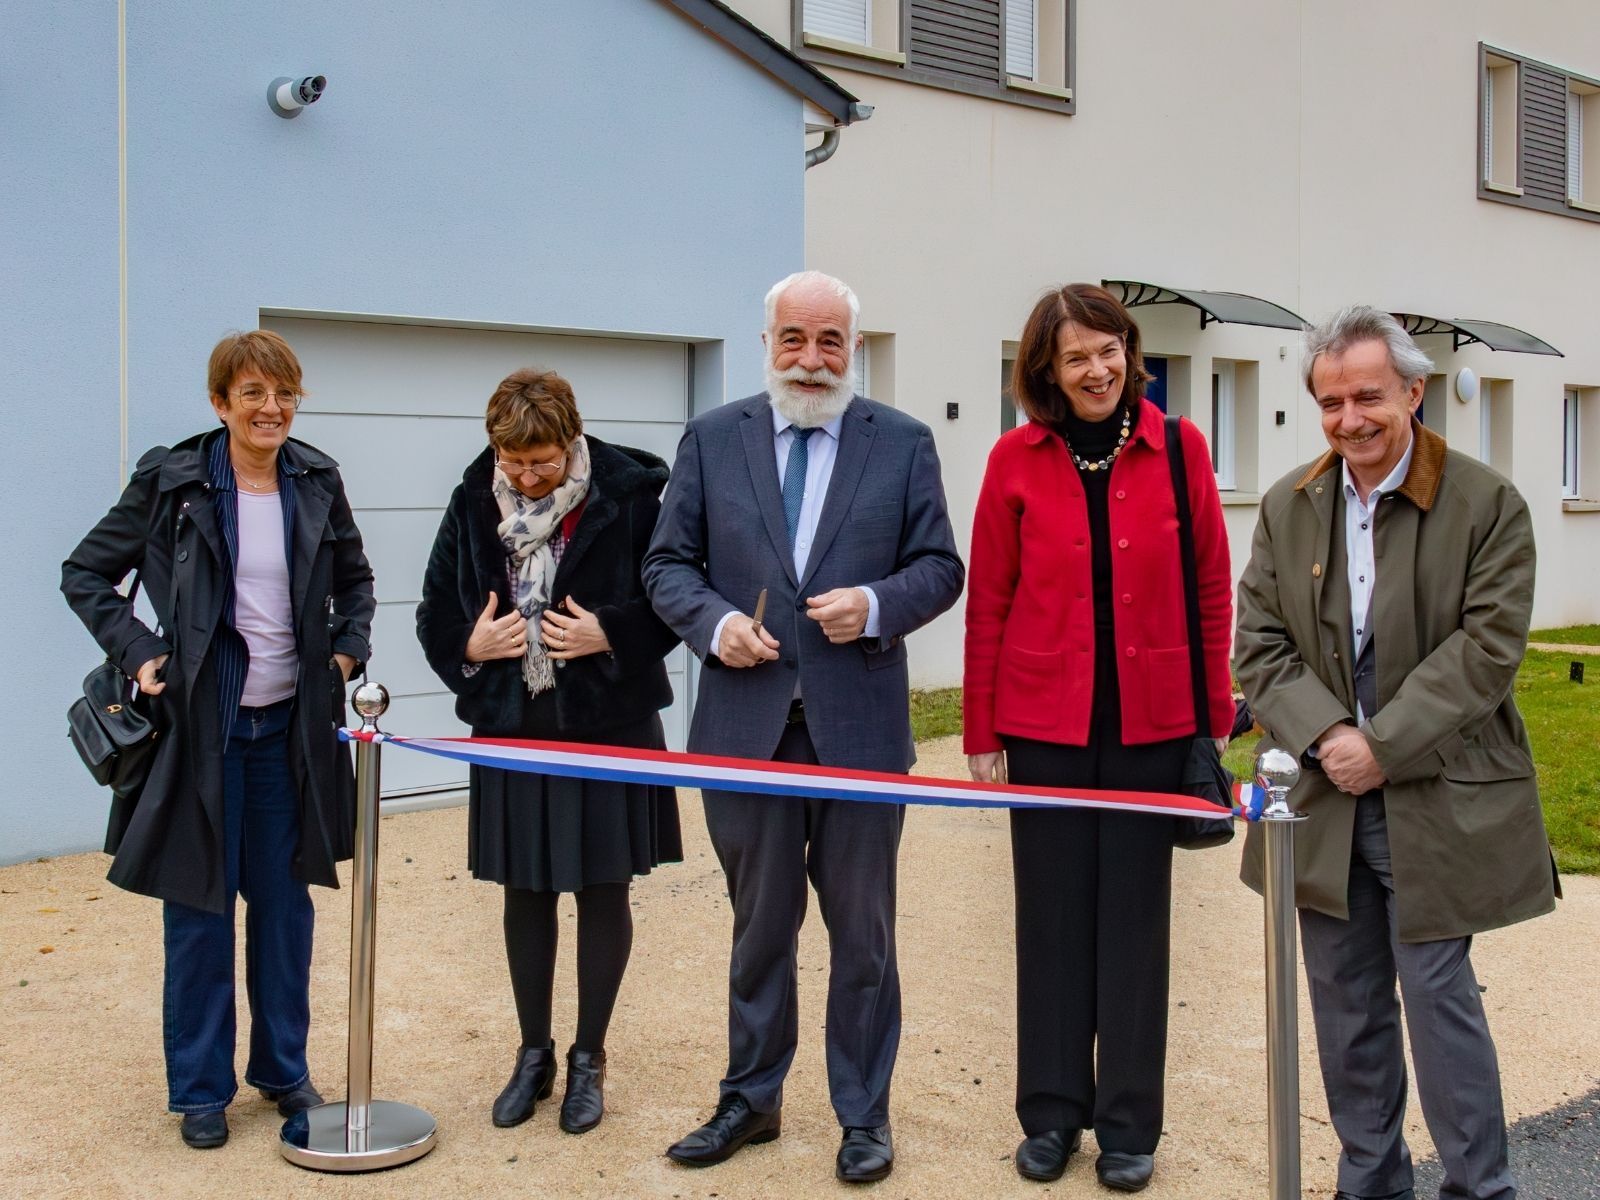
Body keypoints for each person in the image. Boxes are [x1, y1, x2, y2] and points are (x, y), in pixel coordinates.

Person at [643, 270, 963, 1183]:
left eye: (830, 341)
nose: (812, 359)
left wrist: (870, 603)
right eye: (795, 339)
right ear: (768, 344)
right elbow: (666, 563)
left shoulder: (902, 443)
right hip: (746, 727)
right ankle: (752, 1098)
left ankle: (864, 1115)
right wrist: (712, 626)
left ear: (853, 349)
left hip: (857, 730)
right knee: (759, 927)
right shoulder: (714, 438)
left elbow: (941, 566)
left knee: (863, 932)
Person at [1235, 306, 1559, 1200]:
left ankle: (1478, 1188)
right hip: (1325, 800)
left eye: (1369, 396)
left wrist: (1379, 745)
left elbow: (1486, 651)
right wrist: (1332, 738)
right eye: (1331, 402)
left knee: (1439, 1005)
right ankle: (1369, 1185)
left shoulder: (1488, 502)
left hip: (1435, 797)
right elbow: (1258, 647)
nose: (1350, 420)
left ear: (1414, 392)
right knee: (1345, 1012)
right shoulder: (1288, 505)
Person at [60, 330, 375, 1149]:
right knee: (198, 915)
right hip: (201, 734)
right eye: (252, 394)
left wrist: (348, 647)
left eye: (284, 393)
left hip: (289, 737)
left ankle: (283, 1072)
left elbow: (356, 580)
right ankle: (201, 1090)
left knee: (284, 911)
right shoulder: (174, 481)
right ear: (220, 403)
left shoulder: (315, 477)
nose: (271, 409)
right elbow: (85, 571)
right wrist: (139, 653)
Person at [964, 284, 1233, 1193]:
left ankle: (1126, 1125)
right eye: (1076, 356)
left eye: (1109, 350)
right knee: (1048, 925)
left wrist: (1214, 717)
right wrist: (979, 730)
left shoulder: (1179, 447)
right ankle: (1049, 1117)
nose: (1097, 369)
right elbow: (989, 603)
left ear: (1131, 353)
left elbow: (1210, 589)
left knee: (1133, 929)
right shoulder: (1012, 458)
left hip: (1154, 723)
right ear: (1046, 369)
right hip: (1043, 724)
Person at [415, 368, 682, 1135]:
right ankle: (533, 1054)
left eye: (544, 462)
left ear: (573, 440)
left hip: (610, 723)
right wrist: (470, 643)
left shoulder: (632, 496)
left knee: (604, 889)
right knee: (525, 890)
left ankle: (588, 1061)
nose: (528, 478)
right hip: (512, 723)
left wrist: (613, 633)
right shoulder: (473, 498)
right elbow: (436, 608)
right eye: (514, 463)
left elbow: (675, 596)